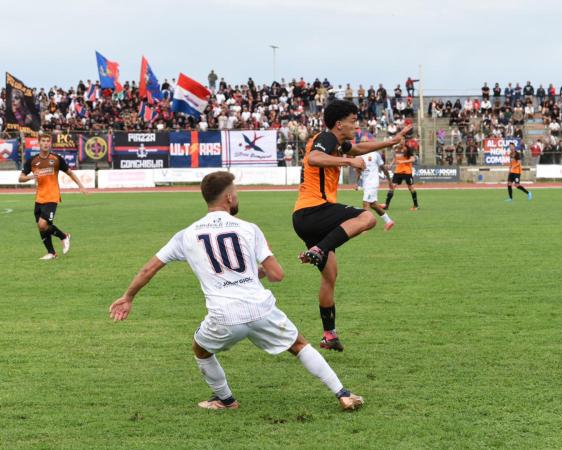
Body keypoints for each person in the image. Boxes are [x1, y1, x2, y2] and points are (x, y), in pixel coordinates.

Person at [109, 172, 364, 411]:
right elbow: (277, 275)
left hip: (224, 316)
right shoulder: (249, 228)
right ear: (229, 197)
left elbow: (148, 270)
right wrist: (256, 272)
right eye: (236, 192)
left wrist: (128, 297)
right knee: (299, 344)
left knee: (201, 350)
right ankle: (343, 393)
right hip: (260, 308)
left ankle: (226, 400)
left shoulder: (186, 235)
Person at [292, 100, 412, 351]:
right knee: (368, 218)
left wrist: (389, 142)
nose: (356, 125)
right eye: (353, 120)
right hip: (314, 209)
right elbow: (314, 158)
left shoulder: (335, 143)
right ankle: (318, 250)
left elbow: (357, 148)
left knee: (330, 276)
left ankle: (329, 335)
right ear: (339, 124)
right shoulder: (324, 138)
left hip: (306, 219)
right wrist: (348, 163)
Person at [18, 133, 87, 260]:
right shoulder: (32, 161)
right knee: (40, 226)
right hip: (39, 197)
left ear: (50, 143)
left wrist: (80, 185)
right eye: (43, 141)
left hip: (52, 197)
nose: (45, 143)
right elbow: (20, 178)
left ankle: (64, 236)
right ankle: (51, 253)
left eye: (47, 141)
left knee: (43, 224)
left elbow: (70, 172)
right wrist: (32, 176)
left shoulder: (56, 159)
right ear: (39, 143)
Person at [354, 151, 395, 230]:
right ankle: (389, 221)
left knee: (365, 204)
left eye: (366, 140)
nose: (364, 142)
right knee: (373, 205)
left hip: (373, 182)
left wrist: (389, 181)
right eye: (362, 141)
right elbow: (358, 171)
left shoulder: (375, 154)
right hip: (366, 184)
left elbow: (383, 168)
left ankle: (365, 227)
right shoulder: (358, 155)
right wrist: (357, 182)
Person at [384, 143, 419, 211]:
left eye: (402, 140)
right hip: (398, 171)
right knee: (392, 186)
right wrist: (391, 165)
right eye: (399, 141)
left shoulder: (408, 149)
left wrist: (402, 161)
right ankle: (386, 205)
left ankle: (416, 205)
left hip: (407, 171)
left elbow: (412, 160)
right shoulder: (396, 149)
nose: (400, 142)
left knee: (410, 187)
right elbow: (395, 158)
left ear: (404, 141)